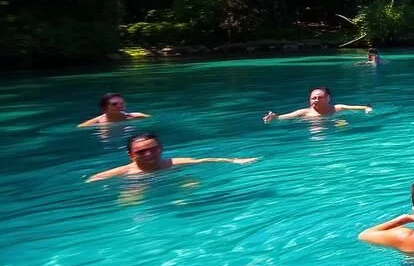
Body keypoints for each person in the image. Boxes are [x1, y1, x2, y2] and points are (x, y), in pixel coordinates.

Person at [87, 133, 257, 181]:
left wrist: (235, 161)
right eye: (140, 152)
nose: (148, 154)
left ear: (161, 149)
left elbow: (203, 160)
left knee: (190, 182)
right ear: (130, 155)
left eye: (153, 149)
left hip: (170, 181)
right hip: (135, 186)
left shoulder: (173, 163)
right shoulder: (124, 172)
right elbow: (95, 178)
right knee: (130, 199)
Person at [262, 87, 372, 123]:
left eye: (320, 98)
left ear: (328, 98)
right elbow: (283, 117)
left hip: (335, 125)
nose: (316, 100)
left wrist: (367, 109)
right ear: (309, 100)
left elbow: (363, 107)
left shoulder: (337, 108)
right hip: (315, 128)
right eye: (313, 98)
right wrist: (274, 117)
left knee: (342, 124)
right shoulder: (303, 112)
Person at [78, 93, 150, 127]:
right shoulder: (97, 122)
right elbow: (80, 127)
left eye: (122, 103)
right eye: (114, 104)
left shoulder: (137, 116)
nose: (119, 106)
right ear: (104, 107)